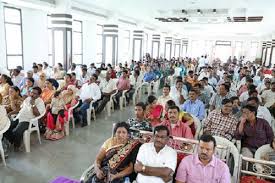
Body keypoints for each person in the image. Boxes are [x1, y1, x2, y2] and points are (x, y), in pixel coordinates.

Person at [4, 87, 46, 151]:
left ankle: (16, 146)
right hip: (20, 117)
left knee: (17, 131)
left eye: (34, 93)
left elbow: (37, 114)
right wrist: (11, 113)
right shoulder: (27, 99)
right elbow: (21, 108)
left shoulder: (40, 102)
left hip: (29, 120)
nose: (32, 94)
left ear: (38, 95)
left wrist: (33, 105)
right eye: (31, 92)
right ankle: (14, 140)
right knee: (6, 127)